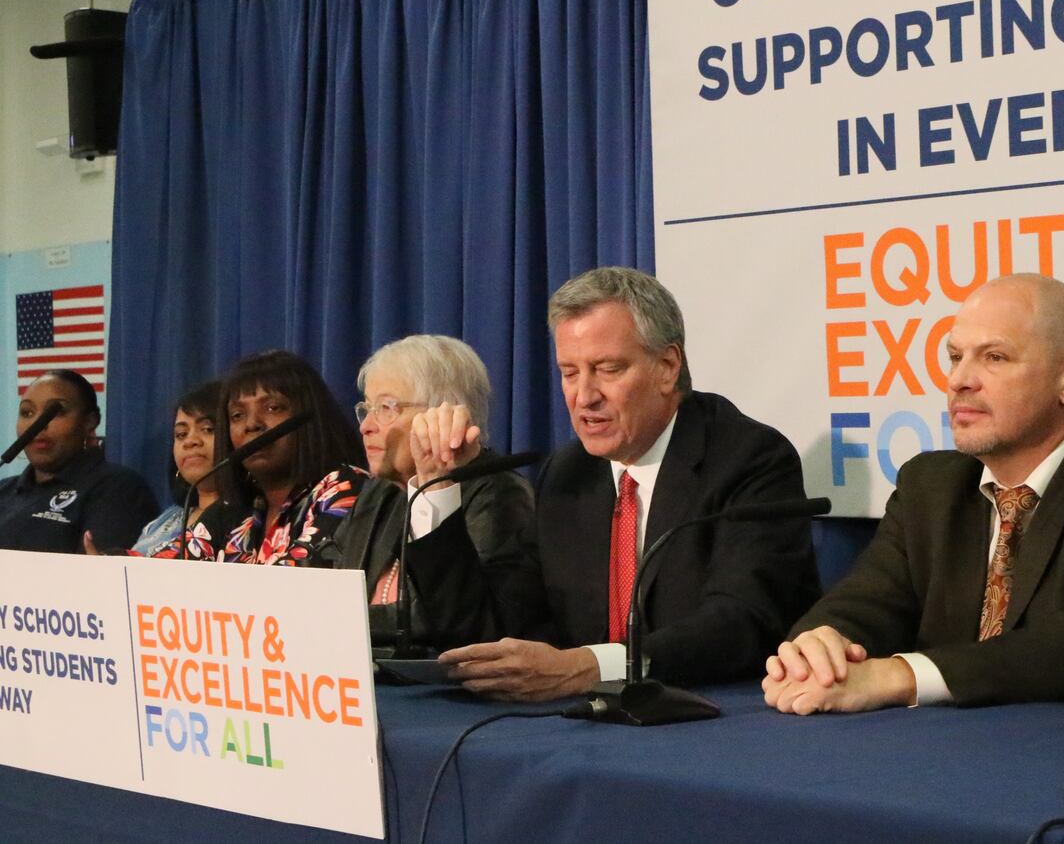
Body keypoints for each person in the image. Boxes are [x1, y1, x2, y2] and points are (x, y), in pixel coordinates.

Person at [762, 274, 1064, 715]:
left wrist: (900, 676)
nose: (959, 380)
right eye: (955, 356)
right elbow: (867, 602)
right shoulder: (930, 485)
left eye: (994, 357)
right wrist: (820, 646)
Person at [404, 267, 820, 700]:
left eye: (607, 369)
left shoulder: (748, 459)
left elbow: (740, 623)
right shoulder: (570, 475)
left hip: (716, 719)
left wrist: (588, 668)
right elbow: (490, 636)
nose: (584, 396)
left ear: (666, 367)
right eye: (569, 373)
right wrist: (439, 487)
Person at [328, 334, 535, 651]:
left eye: (386, 407)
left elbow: (467, 624)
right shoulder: (377, 495)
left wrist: (350, 620)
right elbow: (327, 591)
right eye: (366, 409)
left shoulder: (500, 495)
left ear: (445, 414)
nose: (365, 426)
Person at [150, 350, 367, 565]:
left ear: (309, 416)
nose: (251, 424)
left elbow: (297, 582)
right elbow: (159, 569)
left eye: (272, 408)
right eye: (237, 415)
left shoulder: (343, 487)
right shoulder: (235, 511)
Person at [0, 369, 157, 554]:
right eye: (27, 413)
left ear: (89, 422)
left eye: (55, 412)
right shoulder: (4, 490)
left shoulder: (119, 488)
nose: (38, 424)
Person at [133, 380, 223, 556]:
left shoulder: (246, 521)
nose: (190, 441)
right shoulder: (168, 519)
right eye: (181, 434)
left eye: (207, 429)